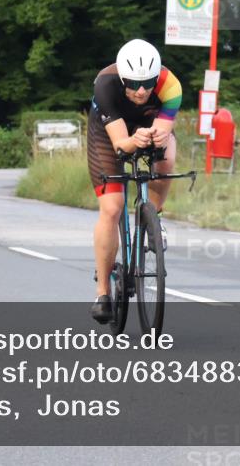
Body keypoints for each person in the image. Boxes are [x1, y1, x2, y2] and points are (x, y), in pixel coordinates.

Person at [86, 39, 182, 323]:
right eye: (134, 84)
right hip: (108, 134)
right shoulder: (105, 84)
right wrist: (132, 141)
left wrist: (156, 138)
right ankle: (103, 293)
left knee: (166, 157)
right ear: (122, 78)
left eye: (148, 84)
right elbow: (120, 144)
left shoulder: (171, 86)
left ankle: (155, 216)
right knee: (112, 208)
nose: (141, 91)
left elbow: (162, 132)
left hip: (146, 124)